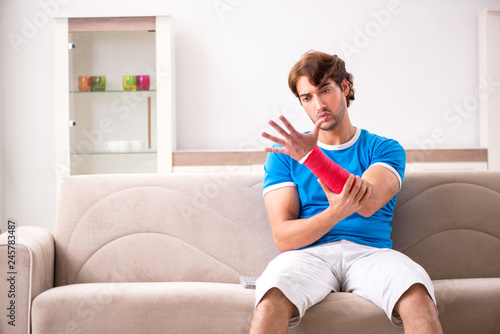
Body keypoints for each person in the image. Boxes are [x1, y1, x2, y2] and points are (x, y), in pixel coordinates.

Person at [249, 51, 443, 334]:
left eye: (325, 90)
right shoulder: (284, 156)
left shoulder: (384, 149)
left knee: (418, 295)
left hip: (371, 254)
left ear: (345, 88)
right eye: (307, 97)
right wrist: (334, 213)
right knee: (270, 299)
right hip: (309, 255)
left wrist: (310, 158)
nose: (318, 105)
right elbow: (284, 238)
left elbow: (366, 204)